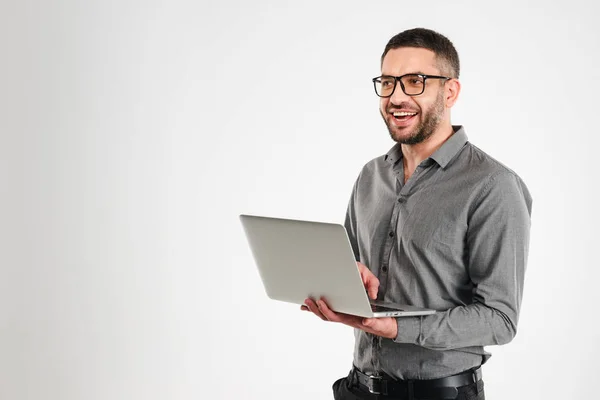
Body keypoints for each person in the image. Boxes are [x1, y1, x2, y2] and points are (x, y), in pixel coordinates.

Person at [301, 28, 532, 400]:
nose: (396, 97)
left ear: (450, 91)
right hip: (359, 388)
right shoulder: (370, 175)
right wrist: (343, 283)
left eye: (415, 82)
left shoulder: (492, 185)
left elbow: (500, 320)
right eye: (388, 82)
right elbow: (351, 268)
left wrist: (397, 328)